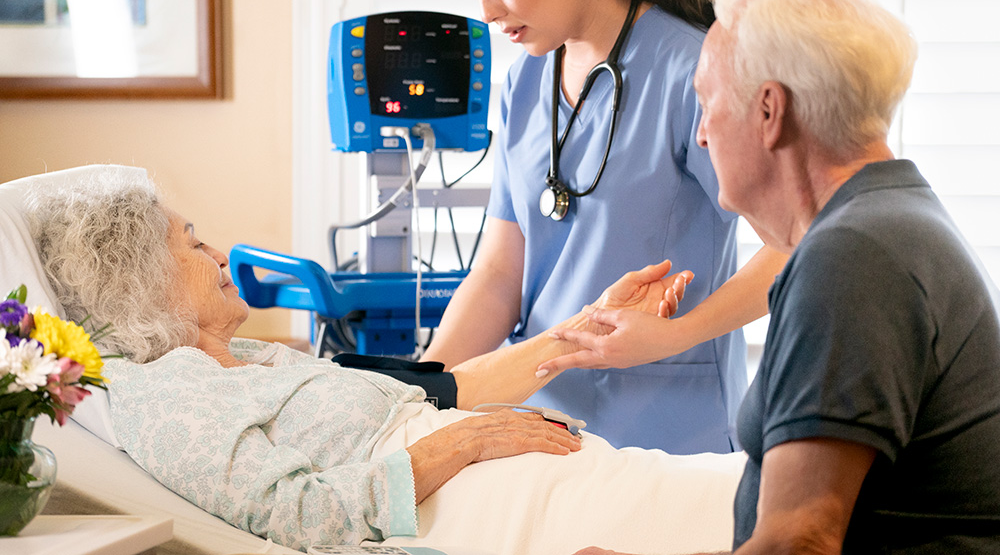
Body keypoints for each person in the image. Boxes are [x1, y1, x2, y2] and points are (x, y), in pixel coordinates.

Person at [24, 168, 746, 554]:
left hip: (539, 475)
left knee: (751, 495)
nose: (218, 254)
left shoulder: (253, 359)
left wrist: (589, 326)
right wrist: (459, 443)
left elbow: (450, 385)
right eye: (191, 243)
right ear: (141, 277)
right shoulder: (163, 392)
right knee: (763, 511)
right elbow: (298, 514)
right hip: (472, 512)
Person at [563, 0, 1000, 555]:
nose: (699, 134)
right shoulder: (890, 218)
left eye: (706, 103)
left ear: (771, 110)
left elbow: (801, 542)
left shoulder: (854, 258)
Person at [424, 0, 787, 453]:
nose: (486, 12)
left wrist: (678, 335)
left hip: (665, 430)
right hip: (540, 427)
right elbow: (498, 276)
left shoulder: (690, 72)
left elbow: (795, 244)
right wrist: (424, 389)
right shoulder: (523, 83)